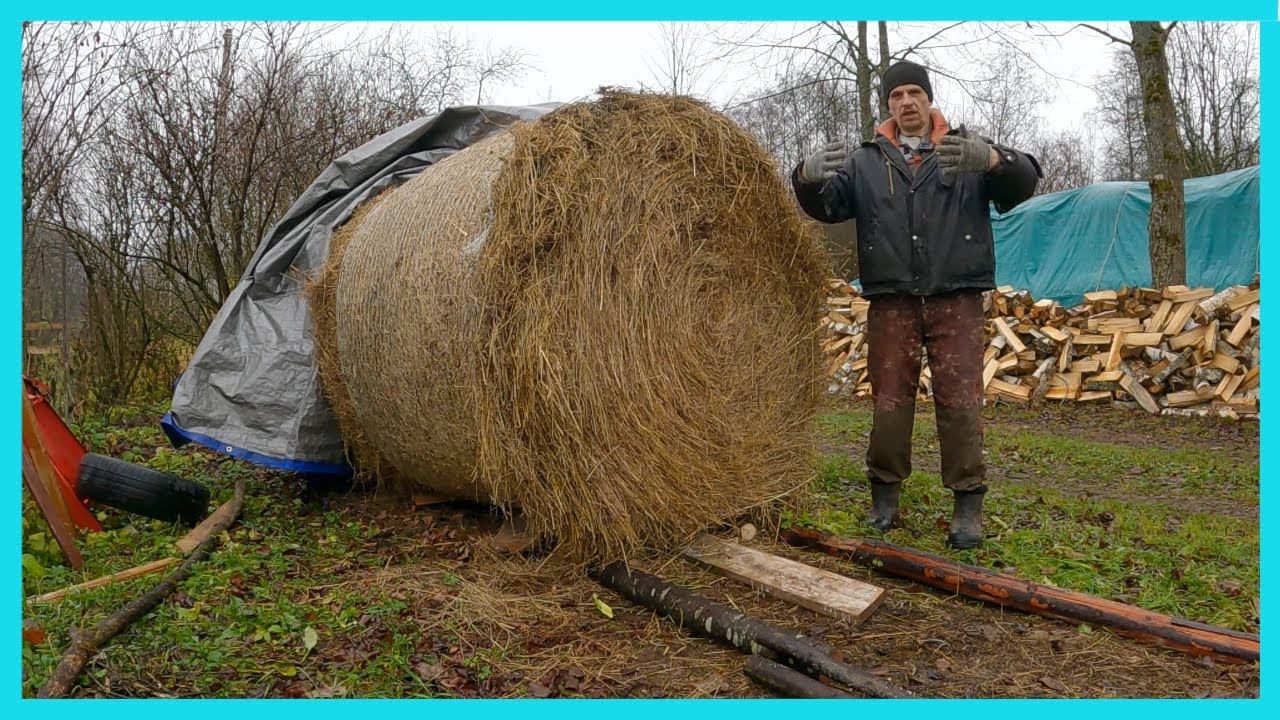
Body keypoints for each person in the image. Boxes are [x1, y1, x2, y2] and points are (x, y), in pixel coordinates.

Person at [791, 60, 1042, 549]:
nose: (906, 102)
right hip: (892, 299)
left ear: (929, 98)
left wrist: (993, 159)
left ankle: (967, 505)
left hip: (955, 296)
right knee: (889, 401)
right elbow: (827, 206)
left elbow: (1024, 182)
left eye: (914, 93)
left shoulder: (962, 150)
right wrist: (807, 178)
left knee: (960, 402)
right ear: (888, 104)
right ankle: (884, 498)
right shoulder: (865, 161)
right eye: (896, 95)